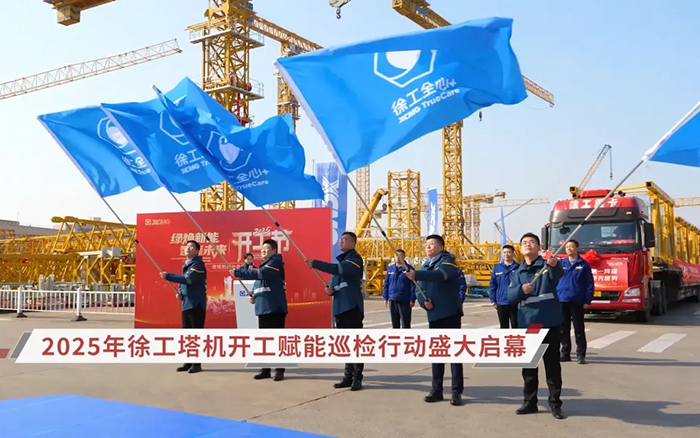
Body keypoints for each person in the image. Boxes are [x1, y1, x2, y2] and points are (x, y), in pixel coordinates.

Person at [507, 232, 565, 420]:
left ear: (539, 247)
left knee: (552, 366)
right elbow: (510, 296)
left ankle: (555, 403)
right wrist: (520, 290)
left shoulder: (547, 266)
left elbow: (558, 275)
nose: (528, 244)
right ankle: (530, 401)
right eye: (524, 242)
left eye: (532, 242)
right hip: (529, 323)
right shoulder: (518, 272)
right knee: (529, 367)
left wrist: (555, 265)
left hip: (548, 322)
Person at [405, 234, 463, 406]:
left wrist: (416, 274)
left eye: (432, 244)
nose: (428, 247)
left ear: (441, 247)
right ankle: (436, 390)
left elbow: (440, 275)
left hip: (450, 313)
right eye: (426, 244)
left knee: (454, 354)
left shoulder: (448, 262)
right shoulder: (425, 265)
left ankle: (456, 391)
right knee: (437, 352)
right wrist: (424, 303)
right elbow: (418, 289)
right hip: (434, 314)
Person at [305, 231, 365, 390]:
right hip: (340, 308)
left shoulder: (355, 260)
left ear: (353, 243)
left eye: (345, 239)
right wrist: (329, 290)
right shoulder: (341, 262)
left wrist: (316, 263)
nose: (341, 241)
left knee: (355, 344)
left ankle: (357, 377)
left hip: (352, 307)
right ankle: (348, 376)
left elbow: (339, 269)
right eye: (340, 239)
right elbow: (332, 282)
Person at [233, 239, 288, 381]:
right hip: (263, 308)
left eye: (267, 248)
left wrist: (239, 272)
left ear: (274, 251)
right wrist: (253, 294)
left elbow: (260, 274)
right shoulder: (265, 265)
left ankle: (279, 370)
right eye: (262, 248)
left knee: (277, 341)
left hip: (274, 308)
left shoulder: (275, 263)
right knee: (265, 341)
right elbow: (258, 283)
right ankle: (265, 369)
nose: (263, 250)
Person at [160, 240, 207, 374]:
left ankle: (196, 364)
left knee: (196, 335)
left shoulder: (198, 264)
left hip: (196, 304)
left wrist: (168, 276)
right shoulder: (186, 264)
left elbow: (188, 279)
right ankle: (188, 361)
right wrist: (180, 292)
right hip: (186, 303)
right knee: (187, 335)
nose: (188, 248)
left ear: (197, 251)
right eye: (187, 246)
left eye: (191, 247)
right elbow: (183, 284)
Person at [556, 239, 593, 364]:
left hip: (577, 300)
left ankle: (581, 355)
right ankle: (565, 353)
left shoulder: (583, 264)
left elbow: (589, 284)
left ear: (577, 248)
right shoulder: (560, 263)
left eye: (572, 246)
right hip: (562, 299)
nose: (569, 249)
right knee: (563, 328)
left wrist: (587, 299)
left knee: (578, 329)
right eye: (567, 247)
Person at [382, 249, 416, 328]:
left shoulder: (409, 269)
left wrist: (412, 299)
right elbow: (386, 284)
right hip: (393, 299)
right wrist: (385, 298)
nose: (398, 257)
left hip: (404, 299)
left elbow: (413, 285)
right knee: (395, 323)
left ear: (404, 257)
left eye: (400, 256)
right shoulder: (390, 269)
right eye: (396, 255)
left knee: (405, 323)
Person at [489, 245, 520, 328]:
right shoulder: (497, 268)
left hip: (515, 302)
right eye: (504, 252)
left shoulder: (518, 268)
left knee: (516, 325)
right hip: (501, 301)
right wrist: (493, 299)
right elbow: (492, 284)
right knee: (503, 326)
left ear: (513, 254)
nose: (506, 254)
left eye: (509, 252)